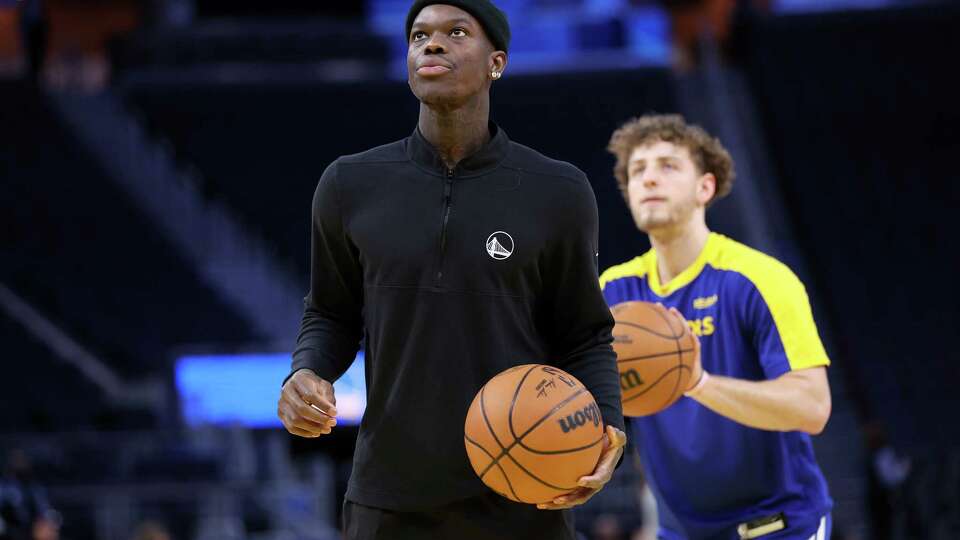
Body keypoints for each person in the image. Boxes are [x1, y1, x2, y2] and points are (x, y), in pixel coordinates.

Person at [276, 1, 627, 538]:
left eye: (455, 32)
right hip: (389, 496)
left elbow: (583, 332)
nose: (431, 44)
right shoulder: (349, 184)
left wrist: (607, 422)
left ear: (497, 63)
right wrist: (305, 370)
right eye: (419, 35)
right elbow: (330, 311)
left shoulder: (558, 190)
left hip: (525, 492)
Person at [600, 114, 833, 539]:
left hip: (776, 526)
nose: (650, 178)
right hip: (680, 530)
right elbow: (589, 398)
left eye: (668, 165)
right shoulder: (612, 291)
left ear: (704, 187)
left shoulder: (759, 278)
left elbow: (813, 407)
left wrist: (698, 382)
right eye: (638, 170)